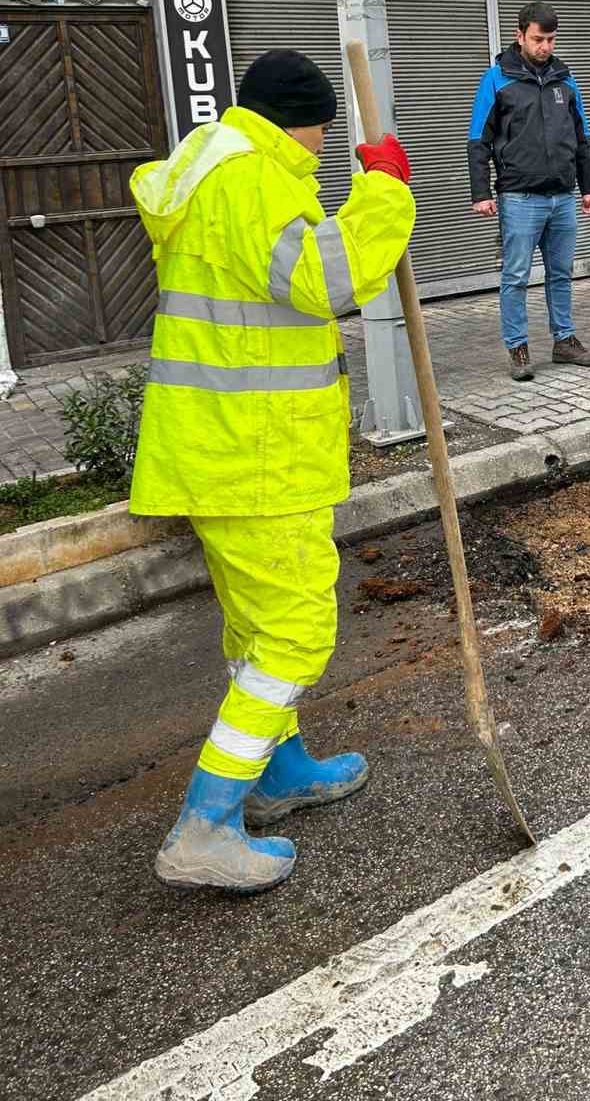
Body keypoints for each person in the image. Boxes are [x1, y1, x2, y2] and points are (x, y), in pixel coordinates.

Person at [129, 50, 415, 894]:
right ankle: (205, 824)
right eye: (324, 132)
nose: (325, 148)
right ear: (299, 118)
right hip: (255, 454)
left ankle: (277, 770)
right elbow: (322, 280)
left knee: (256, 630)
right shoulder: (252, 179)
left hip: (228, 447)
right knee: (295, 632)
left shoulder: (213, 171)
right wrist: (383, 195)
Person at [468, 0, 590, 381]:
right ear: (520, 35)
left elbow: (582, 137)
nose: (545, 47)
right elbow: (478, 139)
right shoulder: (496, 78)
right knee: (515, 276)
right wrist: (481, 193)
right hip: (519, 198)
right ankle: (518, 348)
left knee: (560, 272)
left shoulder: (565, 79)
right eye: (538, 39)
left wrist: (588, 186)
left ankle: (564, 341)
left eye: (551, 40)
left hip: (562, 198)